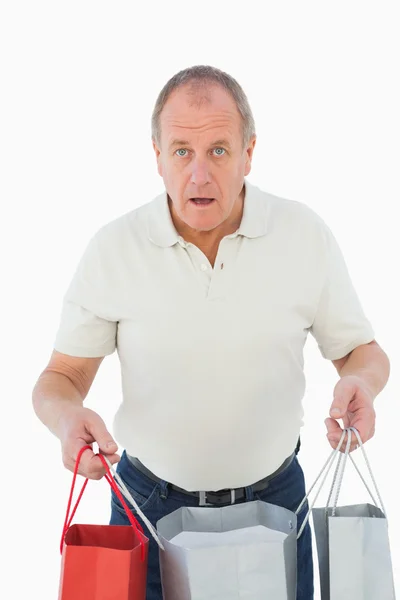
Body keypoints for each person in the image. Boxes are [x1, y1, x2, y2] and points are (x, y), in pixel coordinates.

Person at [32, 65, 390, 600]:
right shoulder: (114, 248)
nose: (199, 175)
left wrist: (361, 383)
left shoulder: (303, 235)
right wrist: (66, 419)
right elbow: (60, 377)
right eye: (181, 151)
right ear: (156, 157)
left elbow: (364, 353)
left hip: (276, 507)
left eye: (219, 151)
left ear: (249, 152)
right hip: (146, 511)